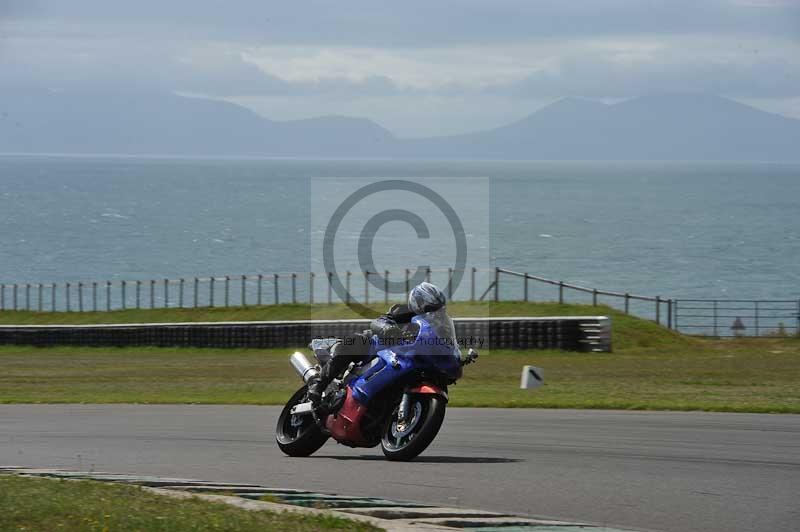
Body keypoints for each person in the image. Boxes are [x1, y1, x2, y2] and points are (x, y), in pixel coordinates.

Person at [306, 281, 447, 405]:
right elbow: (378, 322)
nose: (433, 314)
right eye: (430, 309)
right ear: (418, 303)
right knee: (355, 341)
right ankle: (319, 385)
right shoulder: (402, 311)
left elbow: (446, 343)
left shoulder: (439, 326)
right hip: (377, 347)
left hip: (407, 359)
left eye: (437, 309)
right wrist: (388, 329)